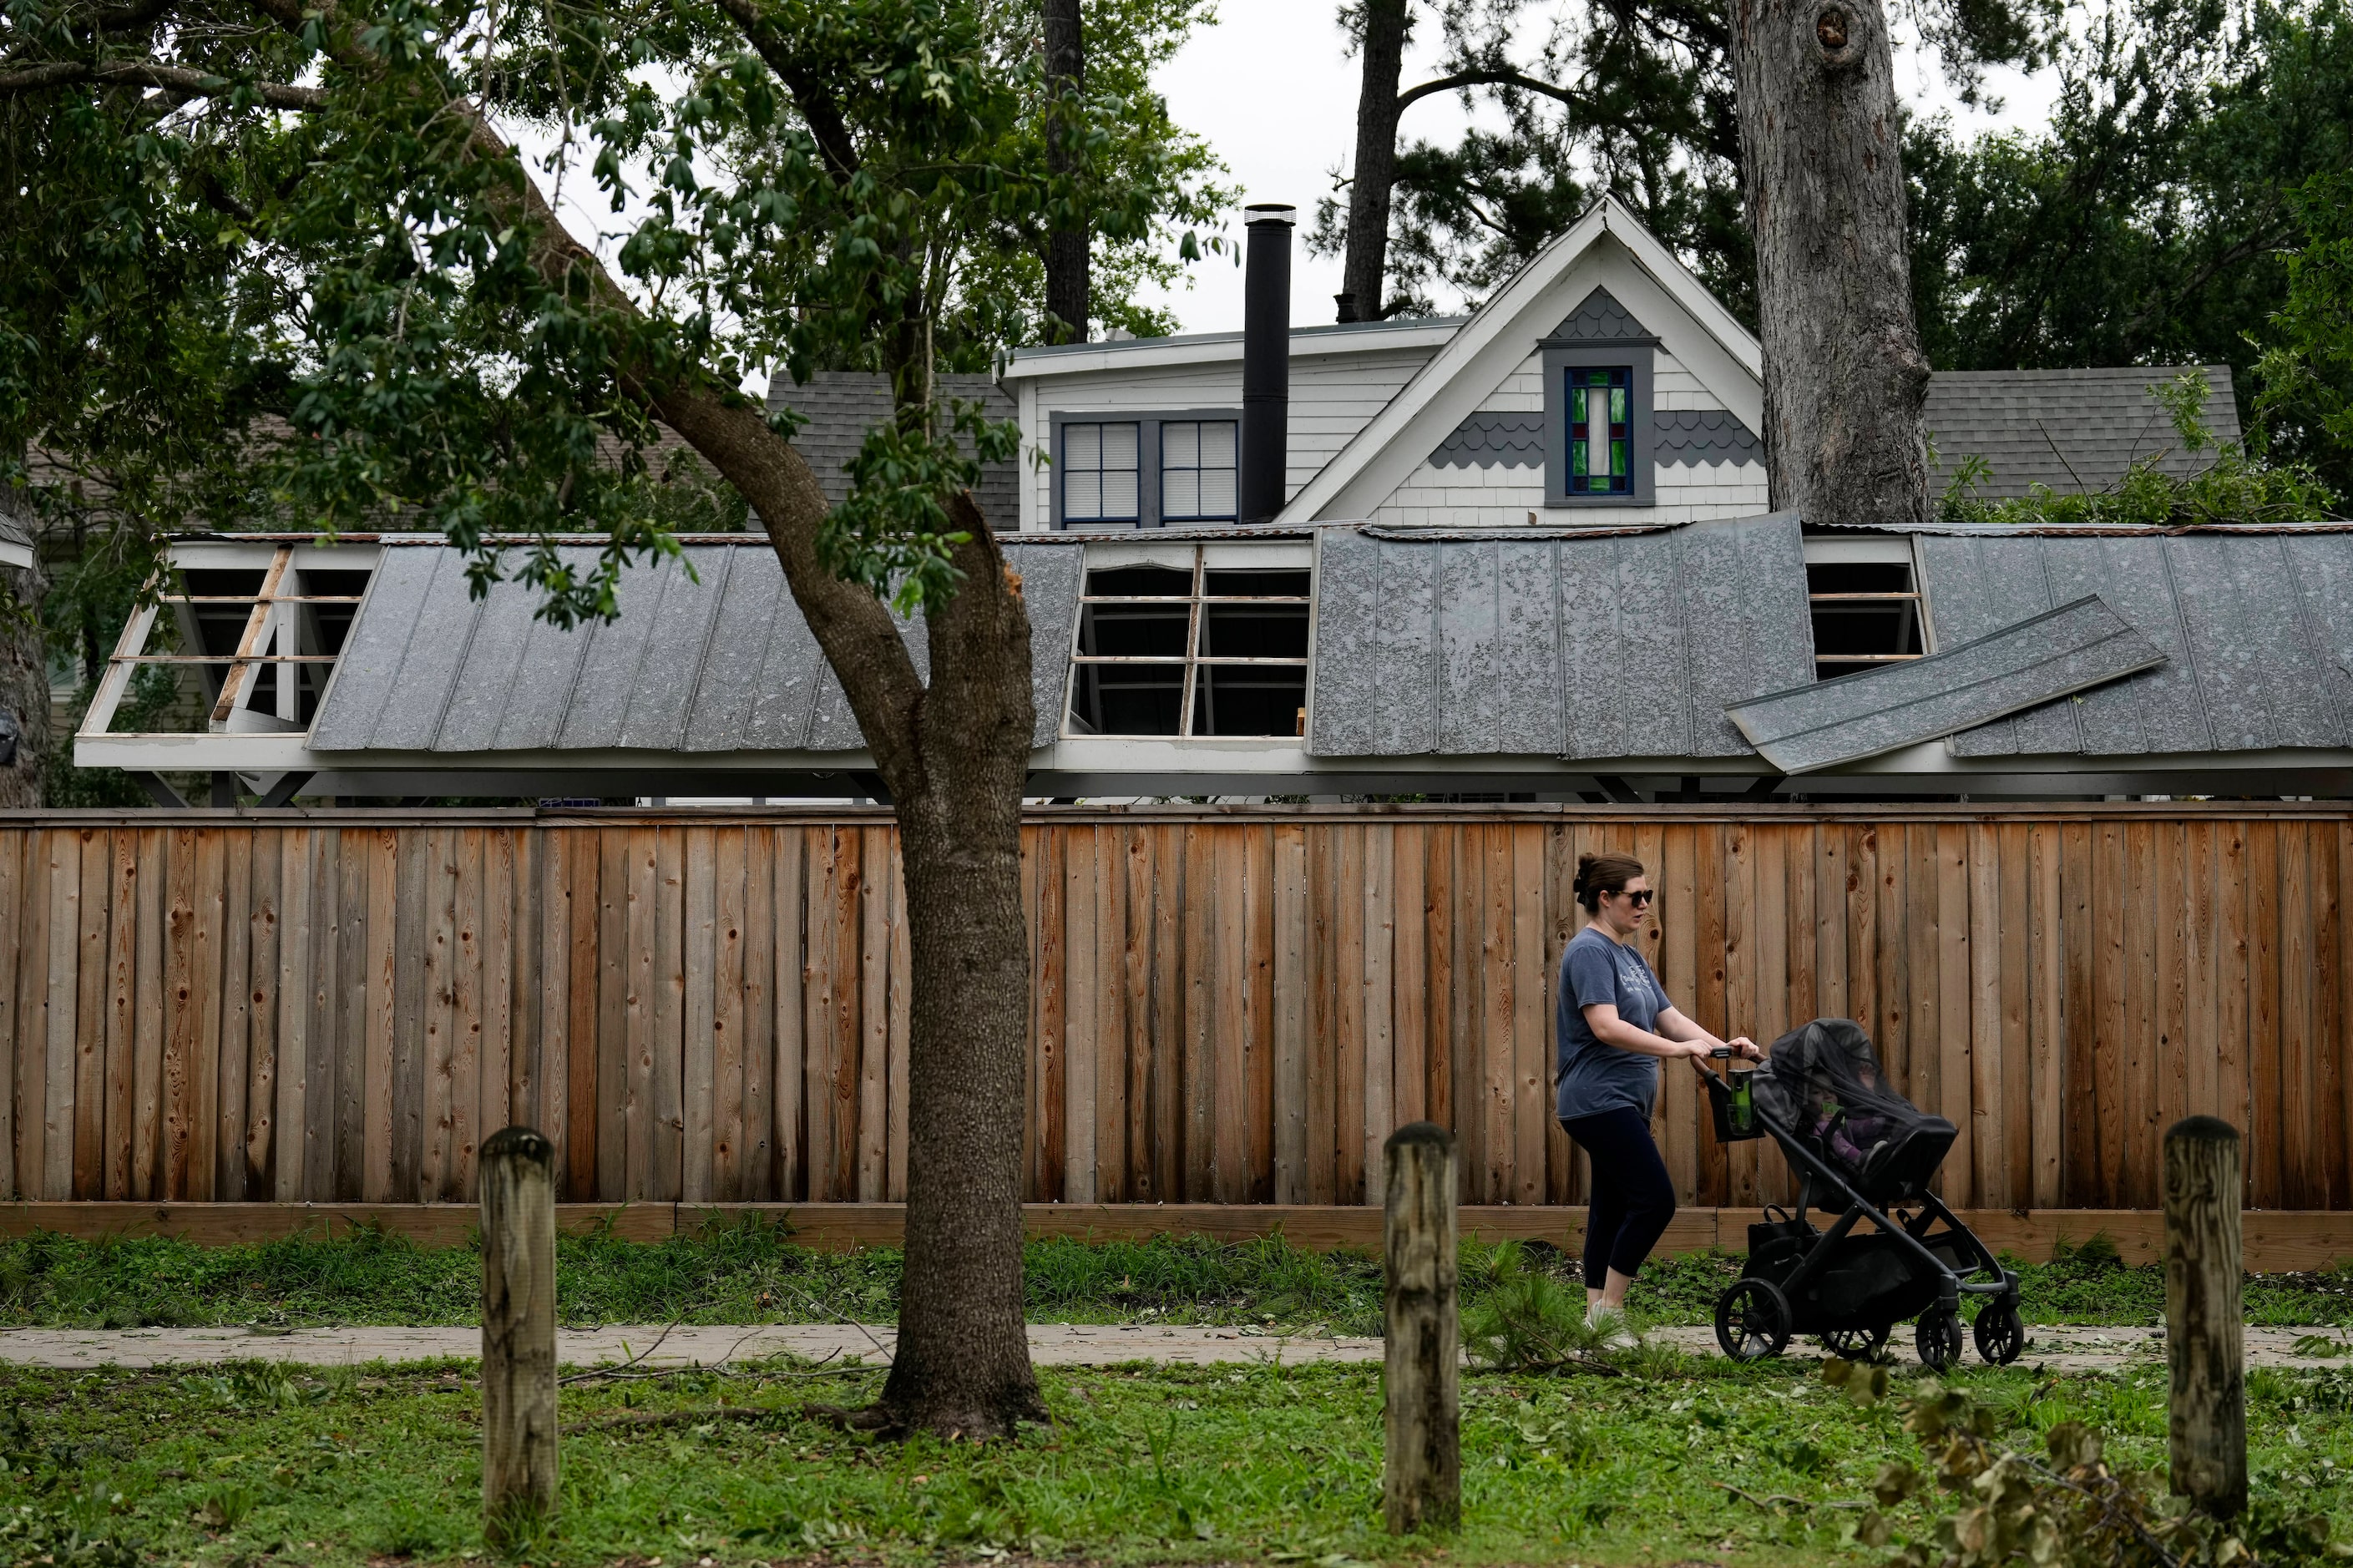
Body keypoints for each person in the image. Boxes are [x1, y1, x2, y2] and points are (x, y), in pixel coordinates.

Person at [1558, 852, 1758, 1343]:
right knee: (1654, 1201)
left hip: (1622, 1101)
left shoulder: (1630, 956)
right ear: (1605, 899)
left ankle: (1595, 1326)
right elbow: (1605, 1026)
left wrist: (1720, 1045)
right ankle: (1610, 1311)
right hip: (1596, 1099)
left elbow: (1669, 1018)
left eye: (1649, 895)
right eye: (1636, 896)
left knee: (1609, 1207)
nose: (1646, 904)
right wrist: (1677, 1050)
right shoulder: (1589, 951)